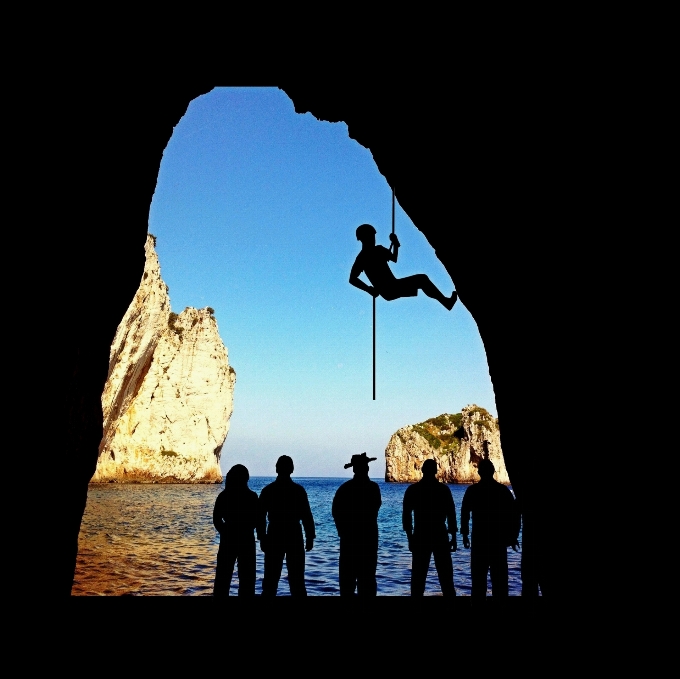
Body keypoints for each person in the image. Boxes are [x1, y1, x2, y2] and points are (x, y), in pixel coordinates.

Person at [460, 441, 521, 598]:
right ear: (493, 472)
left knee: (478, 582)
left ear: (479, 472)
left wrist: (465, 534)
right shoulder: (503, 491)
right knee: (500, 581)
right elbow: (515, 515)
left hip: (479, 541)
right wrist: (513, 536)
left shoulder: (472, 491)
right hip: (498, 542)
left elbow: (465, 513)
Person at [349, 223, 457, 309]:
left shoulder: (378, 250)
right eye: (370, 236)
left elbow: (394, 258)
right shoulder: (363, 257)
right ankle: (446, 302)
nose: (373, 239)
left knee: (422, 280)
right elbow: (352, 279)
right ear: (363, 239)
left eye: (373, 236)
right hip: (389, 289)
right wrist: (368, 289)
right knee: (422, 279)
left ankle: (446, 302)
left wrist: (395, 244)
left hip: (391, 287)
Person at [257, 455, 315, 596]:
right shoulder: (298, 491)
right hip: (294, 533)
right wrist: (310, 537)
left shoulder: (268, 490)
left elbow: (260, 517)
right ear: (292, 469)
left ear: (276, 469)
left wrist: (262, 537)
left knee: (270, 580)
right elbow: (307, 516)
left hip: (274, 533)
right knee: (297, 581)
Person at [402, 458, 458, 596]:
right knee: (446, 578)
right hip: (440, 534)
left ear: (422, 470)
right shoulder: (443, 490)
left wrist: (410, 538)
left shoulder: (413, 490)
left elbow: (407, 516)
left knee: (418, 578)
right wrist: (454, 537)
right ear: (435, 471)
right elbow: (451, 514)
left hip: (420, 534)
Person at [332, 452, 382, 596]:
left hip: (349, 541)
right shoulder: (373, 488)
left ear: (354, 469)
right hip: (368, 541)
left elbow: (336, 512)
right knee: (367, 582)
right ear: (366, 468)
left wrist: (342, 531)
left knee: (347, 584)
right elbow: (375, 508)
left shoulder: (344, 489)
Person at [212, 464, 259, 597]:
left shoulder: (224, 496)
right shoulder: (252, 496)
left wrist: (225, 531)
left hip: (228, 539)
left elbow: (216, 518)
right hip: (247, 540)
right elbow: (258, 519)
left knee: (223, 577)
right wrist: (251, 529)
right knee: (247, 579)